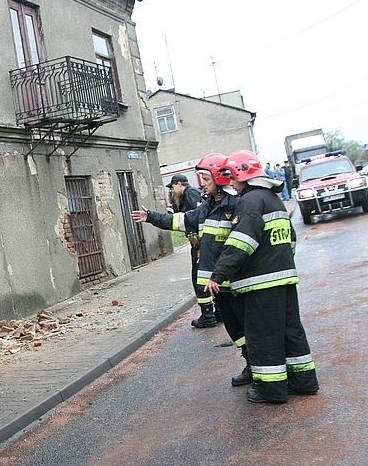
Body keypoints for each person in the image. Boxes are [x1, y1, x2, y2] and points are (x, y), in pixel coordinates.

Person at [206, 150, 319, 404]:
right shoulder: (274, 200)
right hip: (285, 280)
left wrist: (219, 274)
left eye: (232, 176)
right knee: (290, 331)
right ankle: (303, 381)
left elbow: (241, 243)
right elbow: (290, 240)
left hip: (260, 285)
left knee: (263, 336)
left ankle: (271, 389)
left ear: (241, 174)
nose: (230, 183)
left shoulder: (250, 202)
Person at [133, 155, 249, 383]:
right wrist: (151, 217)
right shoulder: (208, 206)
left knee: (248, 326)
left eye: (206, 178)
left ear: (219, 178)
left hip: (236, 281)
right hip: (218, 285)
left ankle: (260, 366)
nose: (202, 183)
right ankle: (250, 362)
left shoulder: (237, 204)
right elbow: (183, 220)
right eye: (201, 178)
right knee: (236, 330)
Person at [162, 174, 211, 326]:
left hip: (201, 245)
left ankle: (208, 315)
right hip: (198, 244)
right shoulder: (183, 197)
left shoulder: (191, 194)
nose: (172, 190)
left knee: (199, 278)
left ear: (179, 184)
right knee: (202, 277)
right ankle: (214, 313)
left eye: (173, 187)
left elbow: (197, 217)